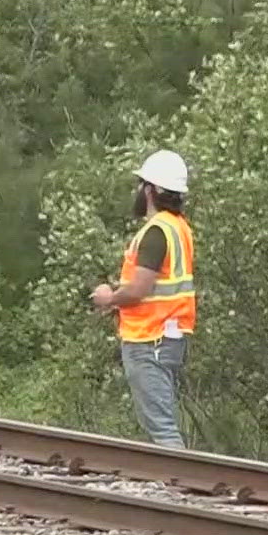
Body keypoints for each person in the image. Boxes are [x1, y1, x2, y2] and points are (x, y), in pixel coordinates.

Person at [90, 149, 196, 449]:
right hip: (168, 334)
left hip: (150, 338)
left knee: (162, 428)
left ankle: (177, 483)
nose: (138, 191)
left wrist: (109, 297)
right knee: (160, 419)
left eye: (141, 185)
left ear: (151, 190)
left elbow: (139, 290)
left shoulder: (156, 232)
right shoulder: (179, 228)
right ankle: (174, 481)